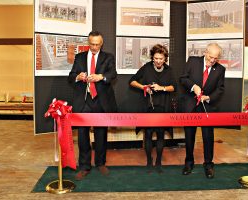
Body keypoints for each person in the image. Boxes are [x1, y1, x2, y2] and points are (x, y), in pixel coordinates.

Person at [68, 31, 117, 180]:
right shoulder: (80, 57)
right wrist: (78, 76)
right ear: (88, 43)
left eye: (97, 44)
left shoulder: (108, 57)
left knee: (101, 133)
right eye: (92, 44)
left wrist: (100, 76)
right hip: (84, 100)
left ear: (101, 44)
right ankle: (84, 166)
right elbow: (71, 76)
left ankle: (101, 163)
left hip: (101, 100)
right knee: (82, 135)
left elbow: (113, 74)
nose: (94, 47)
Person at [179, 43, 225, 178]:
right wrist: (194, 86)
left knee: (208, 137)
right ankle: (188, 163)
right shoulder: (193, 61)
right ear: (205, 52)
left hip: (207, 107)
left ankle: (209, 165)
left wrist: (208, 97)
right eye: (211, 57)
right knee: (189, 136)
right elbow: (183, 78)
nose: (212, 61)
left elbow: (220, 89)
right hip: (190, 105)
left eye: (216, 59)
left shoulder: (220, 69)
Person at [129, 44, 176, 173]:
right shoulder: (146, 68)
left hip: (163, 106)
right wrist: (143, 87)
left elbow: (174, 87)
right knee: (148, 135)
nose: (158, 61)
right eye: (156, 58)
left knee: (161, 135)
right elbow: (132, 81)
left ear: (165, 58)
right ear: (152, 58)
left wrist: (162, 88)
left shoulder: (169, 70)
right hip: (148, 107)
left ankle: (158, 162)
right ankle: (149, 162)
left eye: (161, 58)